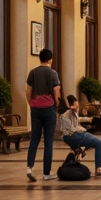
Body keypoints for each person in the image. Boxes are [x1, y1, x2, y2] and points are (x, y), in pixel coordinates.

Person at [25, 48, 61, 182]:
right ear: (50, 59)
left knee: (34, 139)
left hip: (35, 108)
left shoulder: (32, 73)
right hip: (49, 109)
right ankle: (46, 173)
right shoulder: (53, 73)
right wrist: (56, 105)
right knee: (48, 141)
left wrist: (32, 104)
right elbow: (56, 92)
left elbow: (28, 92)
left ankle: (29, 167)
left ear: (40, 58)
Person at [58, 95, 101, 176]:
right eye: (76, 106)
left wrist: (86, 125)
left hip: (75, 135)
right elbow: (71, 129)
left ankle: (80, 148)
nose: (77, 109)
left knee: (91, 141)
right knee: (98, 142)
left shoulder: (73, 113)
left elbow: (77, 123)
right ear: (71, 105)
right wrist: (82, 129)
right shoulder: (65, 114)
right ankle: (99, 168)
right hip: (72, 136)